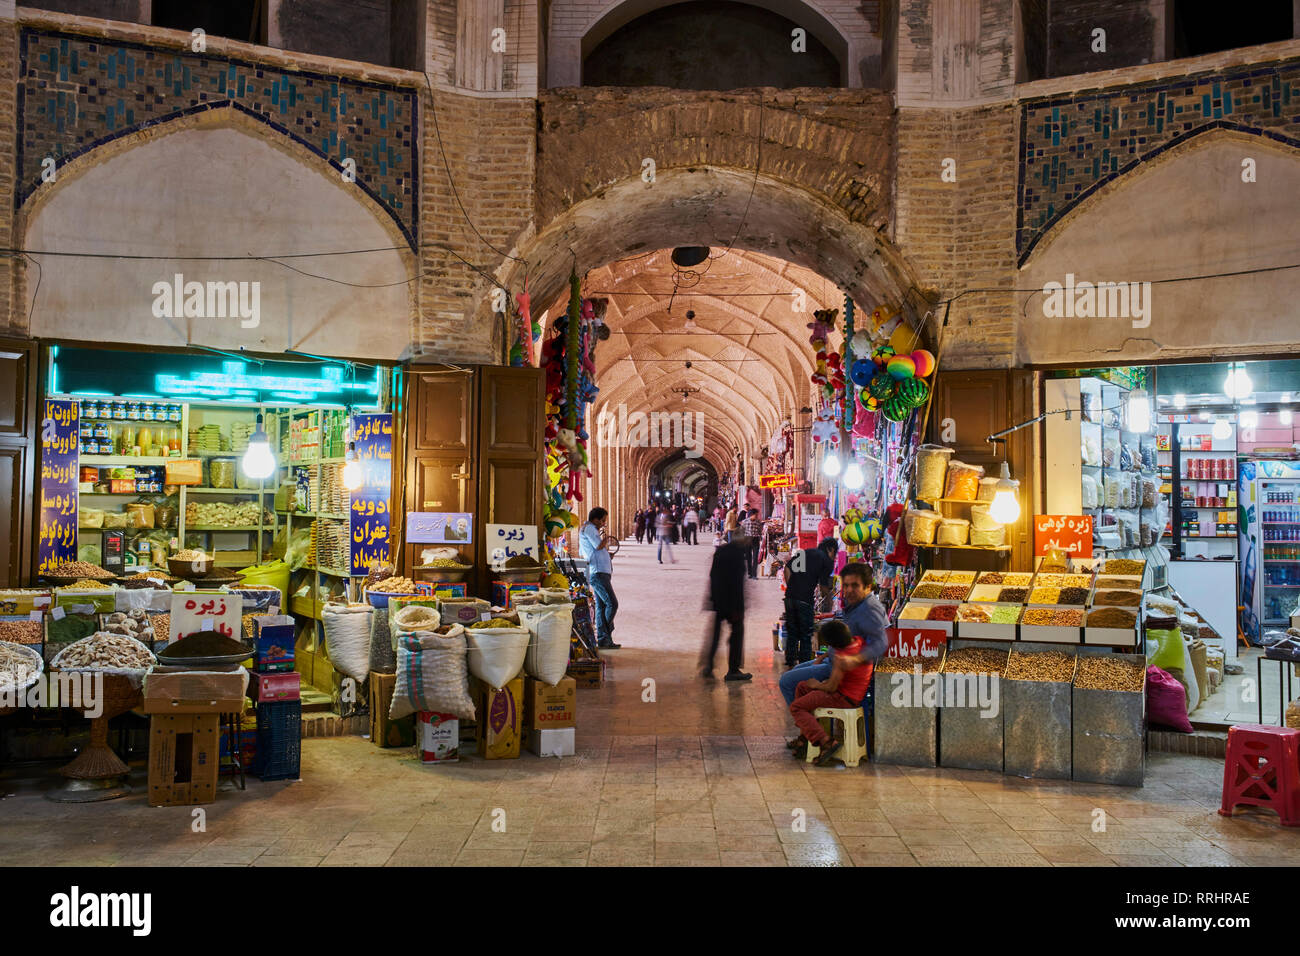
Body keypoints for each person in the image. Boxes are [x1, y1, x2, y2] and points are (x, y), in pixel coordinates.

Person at [779, 561, 889, 711]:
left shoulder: (869, 609)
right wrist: (825, 655)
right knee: (796, 671)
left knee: (786, 681)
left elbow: (880, 643)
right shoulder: (856, 605)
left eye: (855, 585)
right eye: (846, 585)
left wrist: (855, 659)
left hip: (844, 671)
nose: (849, 590)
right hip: (832, 660)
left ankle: (808, 725)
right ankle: (809, 723)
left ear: (868, 587)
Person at [787, 618, 875, 765]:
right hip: (852, 693)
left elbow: (831, 688)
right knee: (802, 687)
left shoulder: (842, 658)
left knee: (796, 707)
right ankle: (805, 737)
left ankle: (825, 742)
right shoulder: (859, 642)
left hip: (843, 697)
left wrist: (816, 685)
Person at [701, 533, 751, 681]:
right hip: (732, 604)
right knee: (736, 635)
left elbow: (712, 576)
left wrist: (713, 598)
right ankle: (733, 670)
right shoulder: (737, 556)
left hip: (718, 601)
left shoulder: (720, 552)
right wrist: (738, 607)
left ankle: (708, 666)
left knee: (715, 635)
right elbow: (737, 583)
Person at [781, 537, 837, 667]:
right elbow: (823, 586)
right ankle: (803, 665)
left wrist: (792, 586)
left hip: (789, 597)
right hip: (805, 600)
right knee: (806, 634)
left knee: (793, 631)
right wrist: (829, 602)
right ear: (831, 549)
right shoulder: (827, 561)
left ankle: (790, 661)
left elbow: (787, 568)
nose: (834, 557)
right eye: (834, 553)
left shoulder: (806, 552)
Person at [579, 507, 620, 649]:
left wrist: (606, 555)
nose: (603, 524)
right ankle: (604, 633)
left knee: (602, 606)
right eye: (602, 521)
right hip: (598, 573)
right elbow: (597, 545)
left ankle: (604, 639)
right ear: (595, 519)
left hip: (601, 572)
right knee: (612, 603)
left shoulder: (591, 529)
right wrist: (606, 539)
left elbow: (595, 550)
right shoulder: (589, 528)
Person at [741, 508, 764, 579]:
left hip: (755, 540)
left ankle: (754, 574)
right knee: (748, 557)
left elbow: (760, 531)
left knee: (755, 557)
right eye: (755, 514)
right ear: (751, 515)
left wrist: (760, 539)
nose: (756, 516)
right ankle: (749, 573)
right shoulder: (744, 522)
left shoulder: (758, 522)